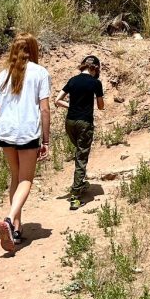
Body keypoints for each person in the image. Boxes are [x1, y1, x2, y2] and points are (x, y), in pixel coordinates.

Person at [0, 33, 51, 254]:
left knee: (15, 176)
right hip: (27, 133)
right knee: (26, 179)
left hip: (6, 133)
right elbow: (44, 109)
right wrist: (46, 140)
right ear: (33, 50)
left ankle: (15, 229)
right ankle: (9, 217)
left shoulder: (3, 75)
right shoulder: (40, 73)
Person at [55, 54, 104, 211]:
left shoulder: (73, 80)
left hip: (70, 122)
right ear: (95, 68)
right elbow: (101, 106)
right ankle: (75, 196)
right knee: (81, 157)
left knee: (79, 153)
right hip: (84, 122)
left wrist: (72, 106)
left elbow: (57, 100)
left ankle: (80, 183)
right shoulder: (95, 83)